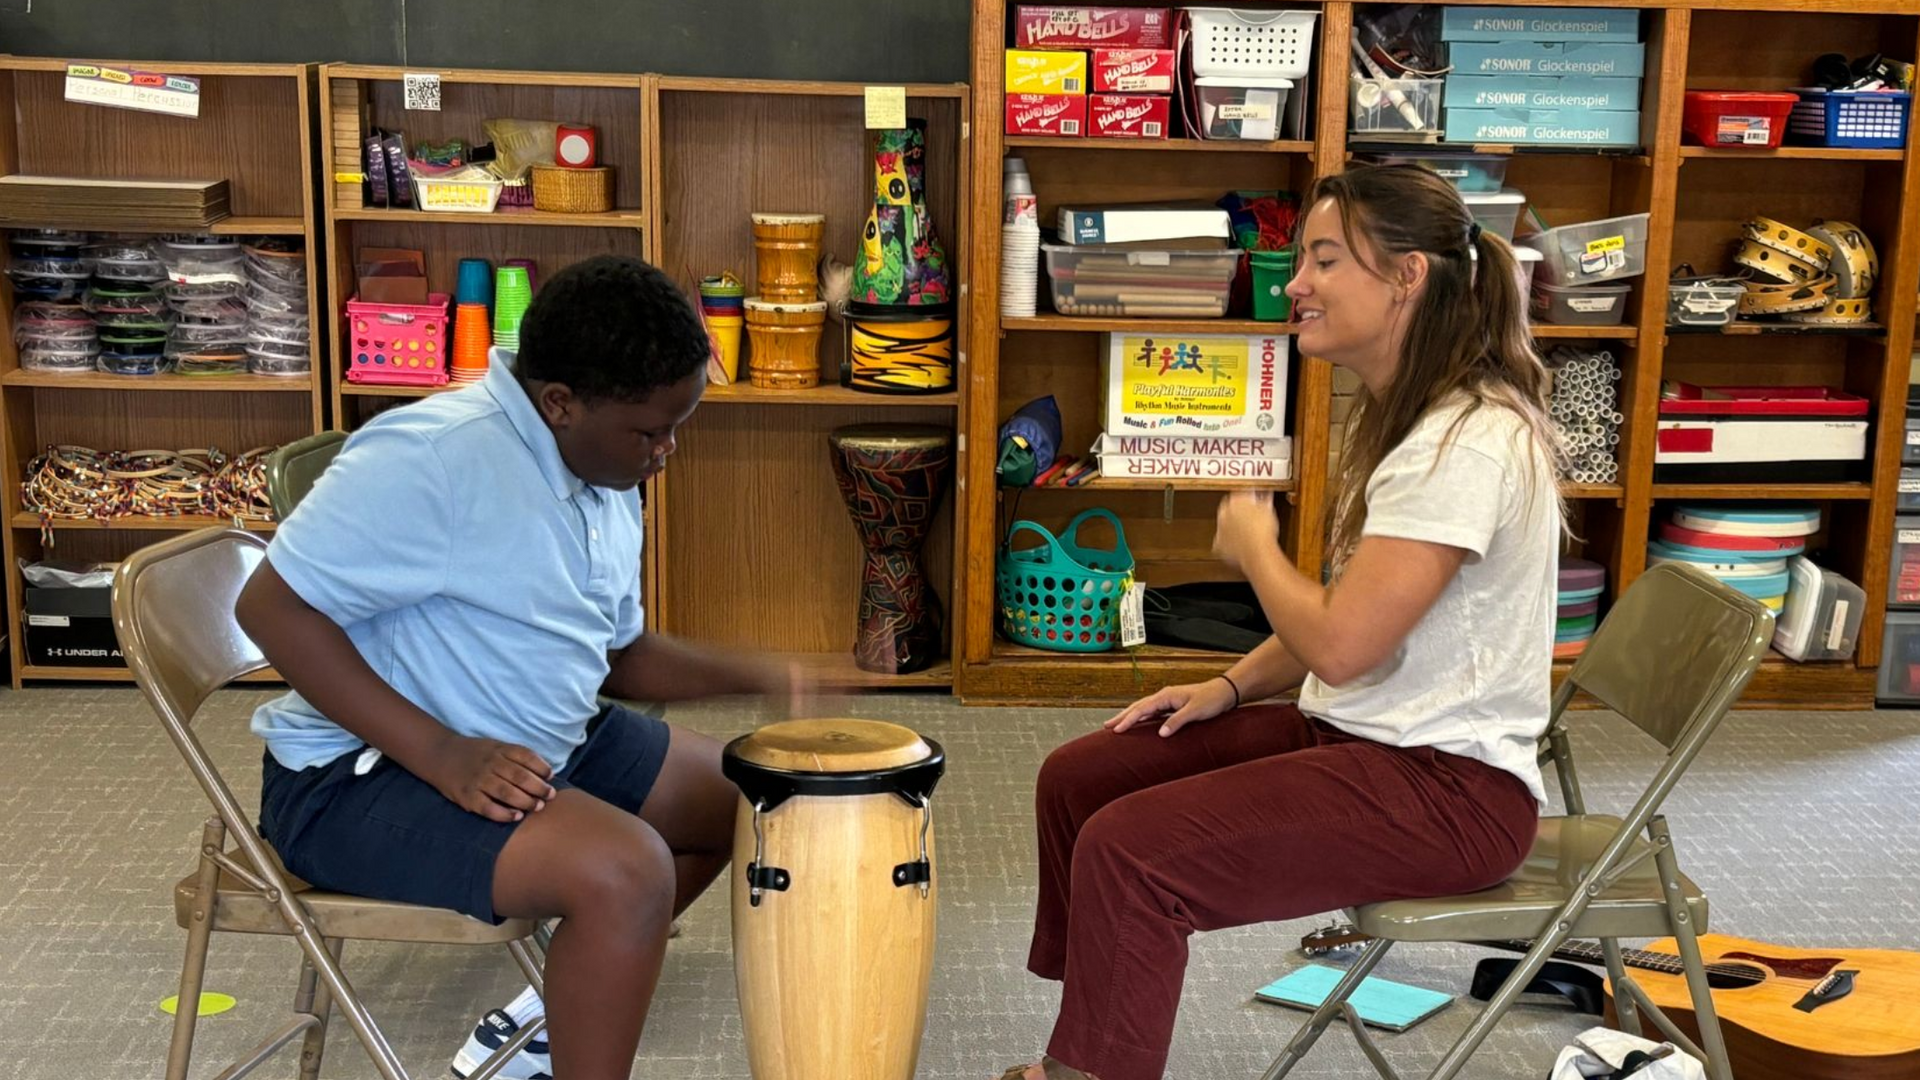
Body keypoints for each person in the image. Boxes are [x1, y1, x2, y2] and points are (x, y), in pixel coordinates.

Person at [998, 164, 1566, 1080]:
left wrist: (1256, 551)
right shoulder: (1408, 419)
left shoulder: (1466, 442)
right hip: (1364, 738)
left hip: (1448, 794)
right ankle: (1098, 1028)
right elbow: (1350, 617)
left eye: (1324, 260)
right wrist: (1228, 685)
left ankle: (1095, 1067)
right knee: (1082, 780)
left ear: (1406, 277)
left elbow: (1341, 644)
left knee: (1132, 855)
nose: (1296, 282)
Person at [238, 255, 800, 1080]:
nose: (668, 450)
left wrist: (766, 673)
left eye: (679, 424)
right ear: (559, 404)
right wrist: (441, 753)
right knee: (627, 872)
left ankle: (555, 1011)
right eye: (650, 430)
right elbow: (270, 610)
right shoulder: (434, 458)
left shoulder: (601, 465)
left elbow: (617, 658)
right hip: (359, 777)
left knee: (756, 796)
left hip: (540, 737)